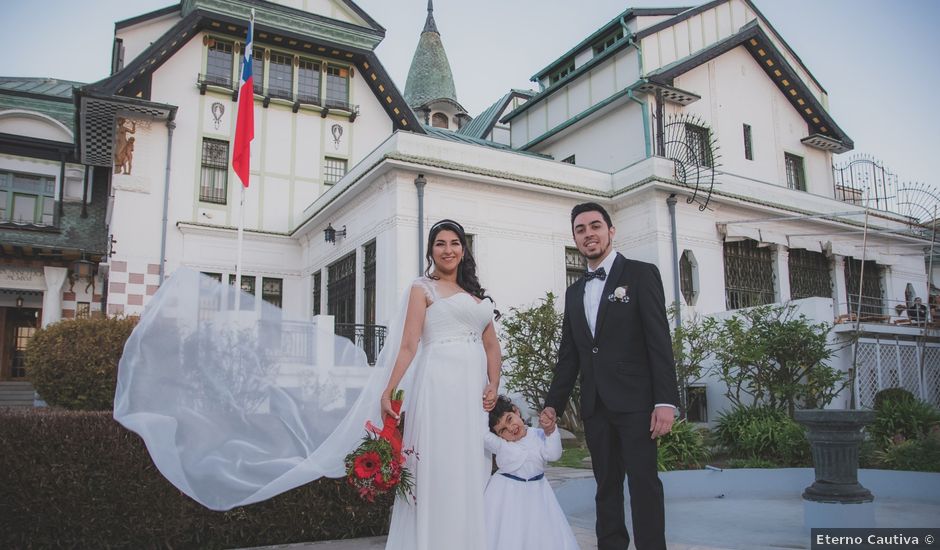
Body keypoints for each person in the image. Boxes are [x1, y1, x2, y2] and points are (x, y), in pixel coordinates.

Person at [541, 202, 679, 550]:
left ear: (611, 231)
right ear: (574, 237)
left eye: (595, 226)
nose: (589, 234)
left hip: (637, 403)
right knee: (605, 486)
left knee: (644, 484)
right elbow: (568, 356)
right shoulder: (575, 293)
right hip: (596, 405)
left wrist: (665, 401)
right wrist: (552, 406)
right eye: (581, 229)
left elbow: (658, 341)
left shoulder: (640, 274)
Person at [380, 219, 502, 550]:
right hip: (438, 386)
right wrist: (388, 389)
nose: (448, 249)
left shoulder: (475, 295)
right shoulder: (422, 288)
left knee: (470, 464)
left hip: (472, 394)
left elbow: (492, 347)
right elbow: (409, 345)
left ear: (463, 250)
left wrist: (493, 383)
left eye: (454, 243)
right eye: (440, 243)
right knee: (438, 464)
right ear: (431, 250)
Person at [483, 395, 579, 550]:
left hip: (538, 495)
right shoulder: (501, 445)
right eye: (502, 430)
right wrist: (483, 411)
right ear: (499, 435)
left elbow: (553, 454)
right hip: (507, 497)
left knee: (539, 534)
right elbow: (484, 436)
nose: (510, 428)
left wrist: (550, 431)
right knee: (511, 534)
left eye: (509, 419)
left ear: (516, 411)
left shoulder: (538, 434)